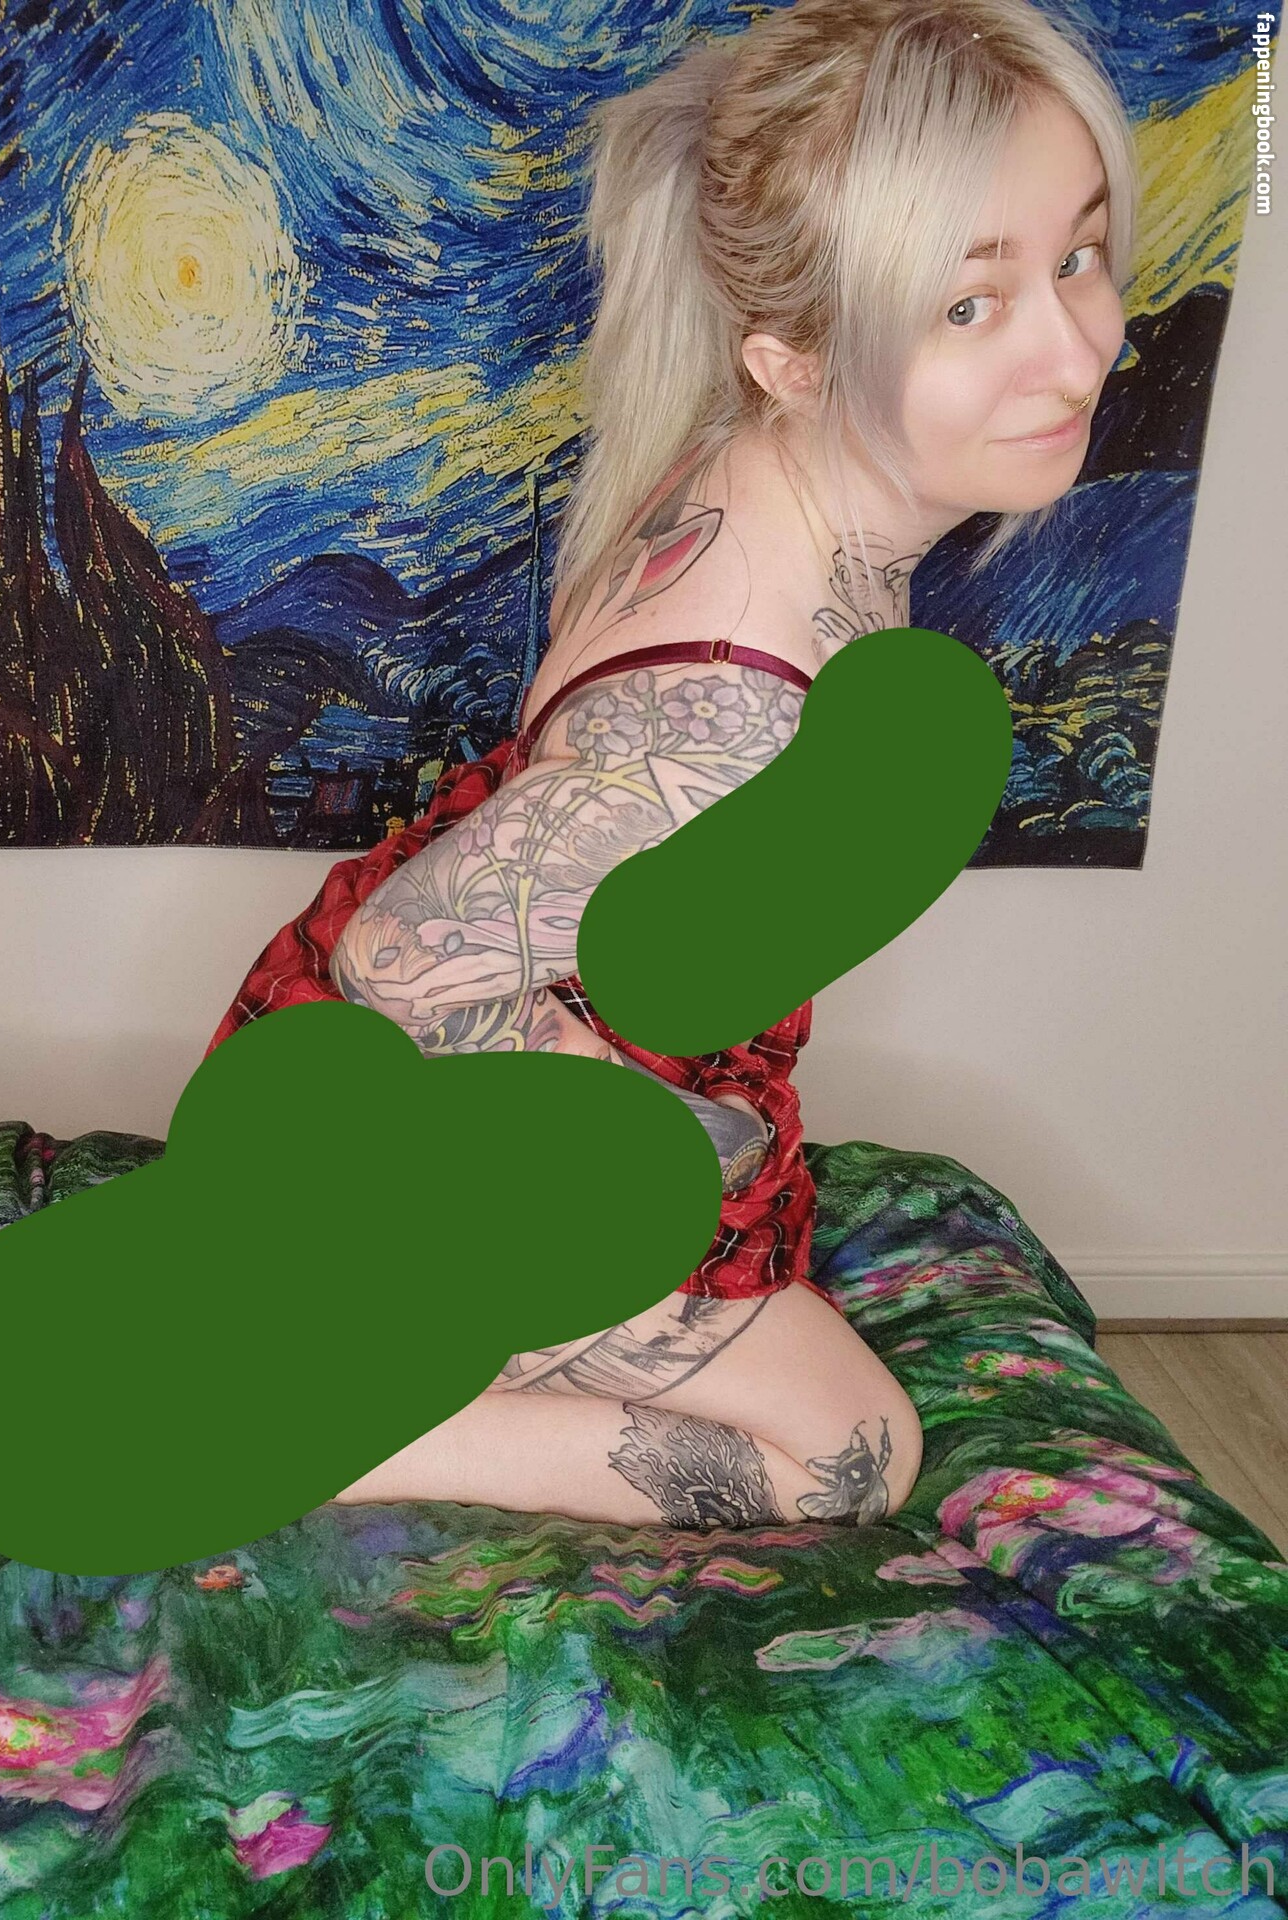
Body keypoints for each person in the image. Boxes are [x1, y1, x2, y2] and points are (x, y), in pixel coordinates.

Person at [243, 0, 1138, 1532]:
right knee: (859, 1455)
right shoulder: (730, 711)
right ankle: (339, 1428)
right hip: (409, 1159)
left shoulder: (769, 470)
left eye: (1080, 254)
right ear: (793, 358)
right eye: (968, 306)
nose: (1079, 348)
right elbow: (395, 961)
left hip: (545, 1090)